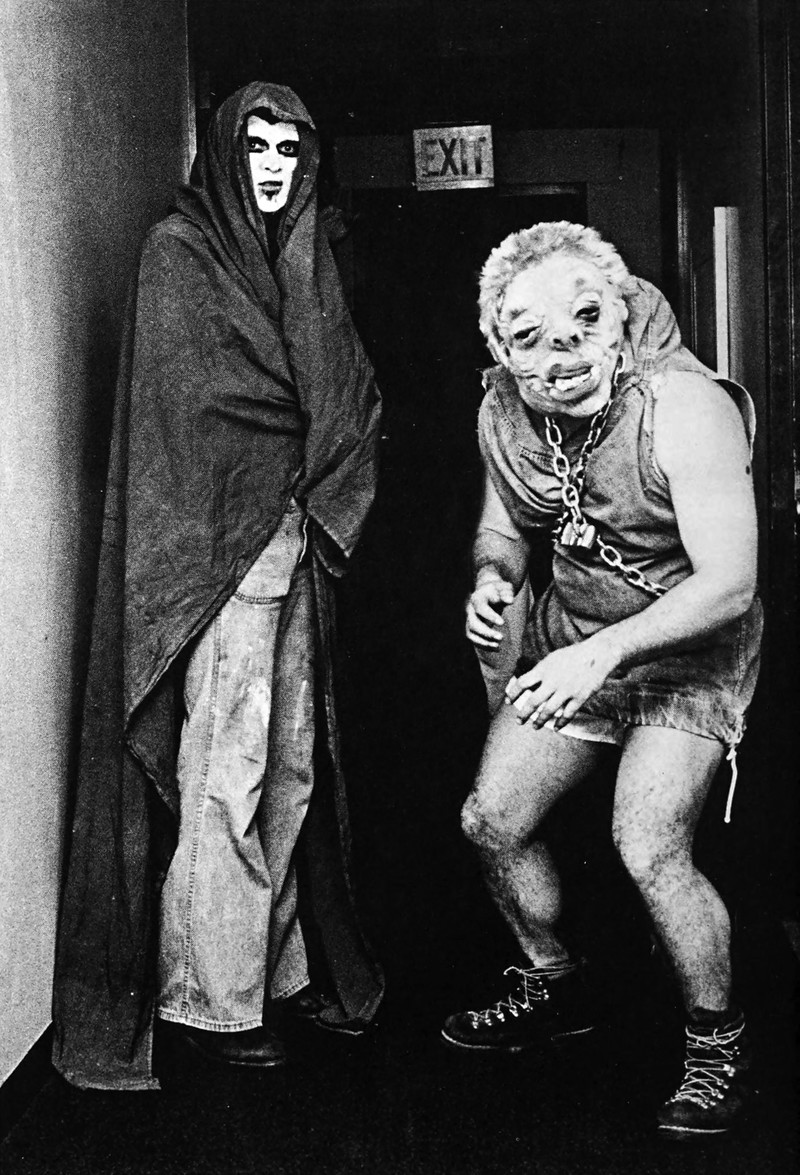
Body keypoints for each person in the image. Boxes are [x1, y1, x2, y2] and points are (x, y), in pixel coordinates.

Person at [52, 83, 384, 1089]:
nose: (273, 166)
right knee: (225, 769)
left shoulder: (302, 252)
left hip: (296, 539)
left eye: (289, 148)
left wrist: (321, 462)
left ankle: (268, 974)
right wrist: (299, 444)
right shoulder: (179, 251)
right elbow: (199, 411)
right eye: (256, 146)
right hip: (218, 553)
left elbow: (347, 390)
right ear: (225, 154)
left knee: (290, 769)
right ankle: (206, 997)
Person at [441, 221, 762, 1138]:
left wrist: (604, 654)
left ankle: (719, 1045)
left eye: (586, 321)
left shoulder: (684, 405)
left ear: (621, 317)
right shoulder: (503, 411)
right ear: (500, 348)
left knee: (647, 842)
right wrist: (492, 580)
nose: (566, 354)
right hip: (576, 638)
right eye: (532, 338)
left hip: (688, 650)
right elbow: (502, 526)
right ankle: (556, 983)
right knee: (491, 818)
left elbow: (731, 584)